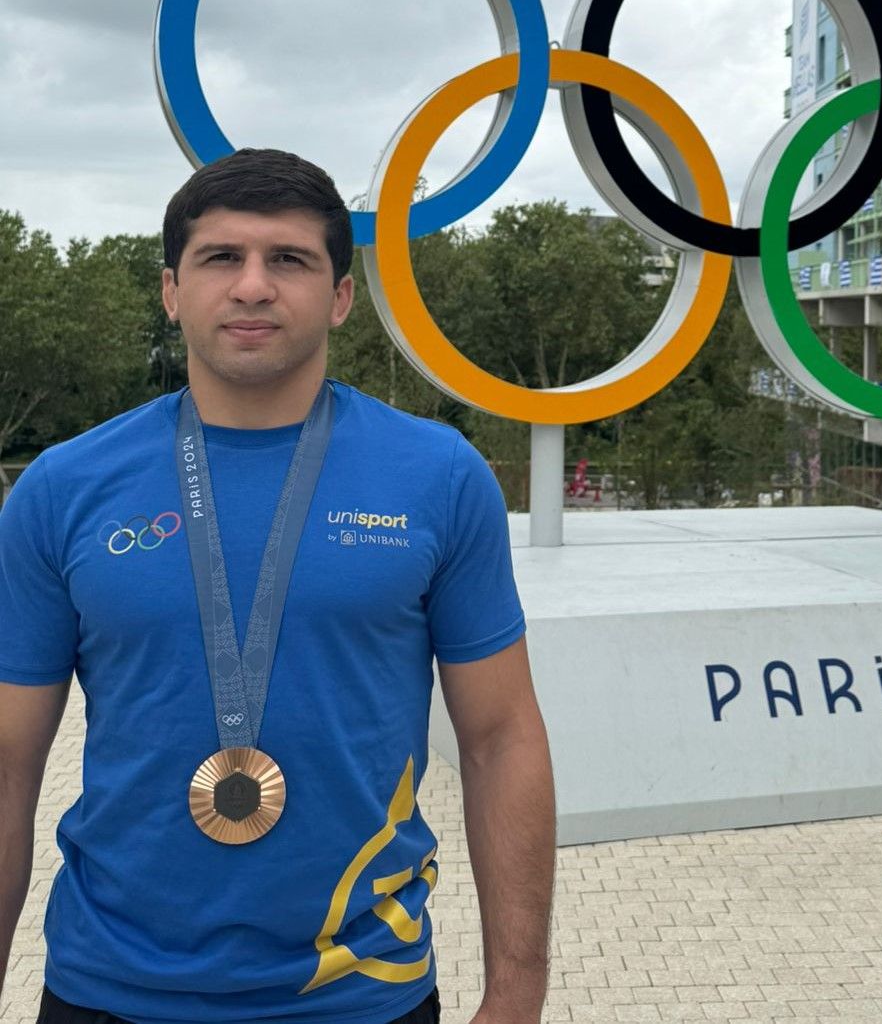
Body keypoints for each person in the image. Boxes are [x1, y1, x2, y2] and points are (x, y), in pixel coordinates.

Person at [0, 149, 556, 1024]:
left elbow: (500, 741)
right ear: (171, 291)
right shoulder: (64, 488)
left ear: (339, 296)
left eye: (288, 259)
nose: (253, 286)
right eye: (221, 257)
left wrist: (517, 997)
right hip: (110, 990)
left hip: (362, 994)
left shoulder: (439, 477)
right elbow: (8, 765)